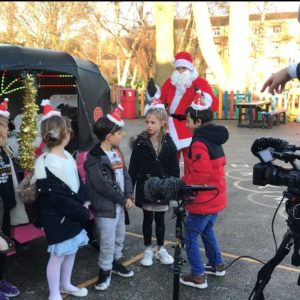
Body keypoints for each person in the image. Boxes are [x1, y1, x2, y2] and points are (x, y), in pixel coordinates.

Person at [32, 100, 90, 300]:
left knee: (71, 251)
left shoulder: (67, 155)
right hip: (57, 218)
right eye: (68, 130)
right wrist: (82, 211)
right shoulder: (45, 164)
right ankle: (54, 293)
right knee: (57, 256)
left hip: (73, 214)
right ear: (63, 134)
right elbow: (59, 198)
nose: (70, 133)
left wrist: (84, 202)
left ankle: (65, 284)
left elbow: (77, 184)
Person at [179, 90, 228, 289]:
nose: (186, 124)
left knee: (189, 237)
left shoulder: (199, 143)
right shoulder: (214, 139)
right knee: (207, 231)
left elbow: (201, 175)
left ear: (198, 121)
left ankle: (198, 275)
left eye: (188, 120)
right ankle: (217, 264)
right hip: (216, 198)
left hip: (203, 200)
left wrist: (183, 182)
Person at [84, 104, 134, 291]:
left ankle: (116, 261)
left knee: (119, 236)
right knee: (107, 240)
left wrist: (129, 194)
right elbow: (102, 185)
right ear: (108, 136)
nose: (122, 135)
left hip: (121, 205)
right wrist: (123, 199)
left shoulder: (116, 151)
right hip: (107, 207)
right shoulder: (95, 157)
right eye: (119, 132)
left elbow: (125, 174)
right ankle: (104, 271)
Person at [147, 51, 218, 173]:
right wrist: (153, 94)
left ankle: (191, 187)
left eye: (183, 68)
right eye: (178, 68)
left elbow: (215, 105)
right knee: (168, 161)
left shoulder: (200, 82)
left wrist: (203, 98)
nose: (180, 71)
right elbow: (160, 101)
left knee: (191, 162)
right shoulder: (170, 82)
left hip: (190, 127)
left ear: (190, 68)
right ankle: (170, 186)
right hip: (171, 127)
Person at [128, 100, 179, 267]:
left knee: (161, 219)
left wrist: (174, 192)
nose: (149, 125)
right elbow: (133, 168)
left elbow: (174, 169)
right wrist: (130, 191)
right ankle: (148, 249)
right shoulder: (140, 143)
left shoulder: (169, 143)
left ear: (162, 122)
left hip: (162, 189)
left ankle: (160, 248)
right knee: (147, 219)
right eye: (147, 122)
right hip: (146, 187)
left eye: (153, 122)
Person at [0, 101, 21, 300]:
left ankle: (1, 279)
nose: (7, 129)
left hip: (4, 208)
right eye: (5, 125)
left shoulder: (4, 152)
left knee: (4, 245)